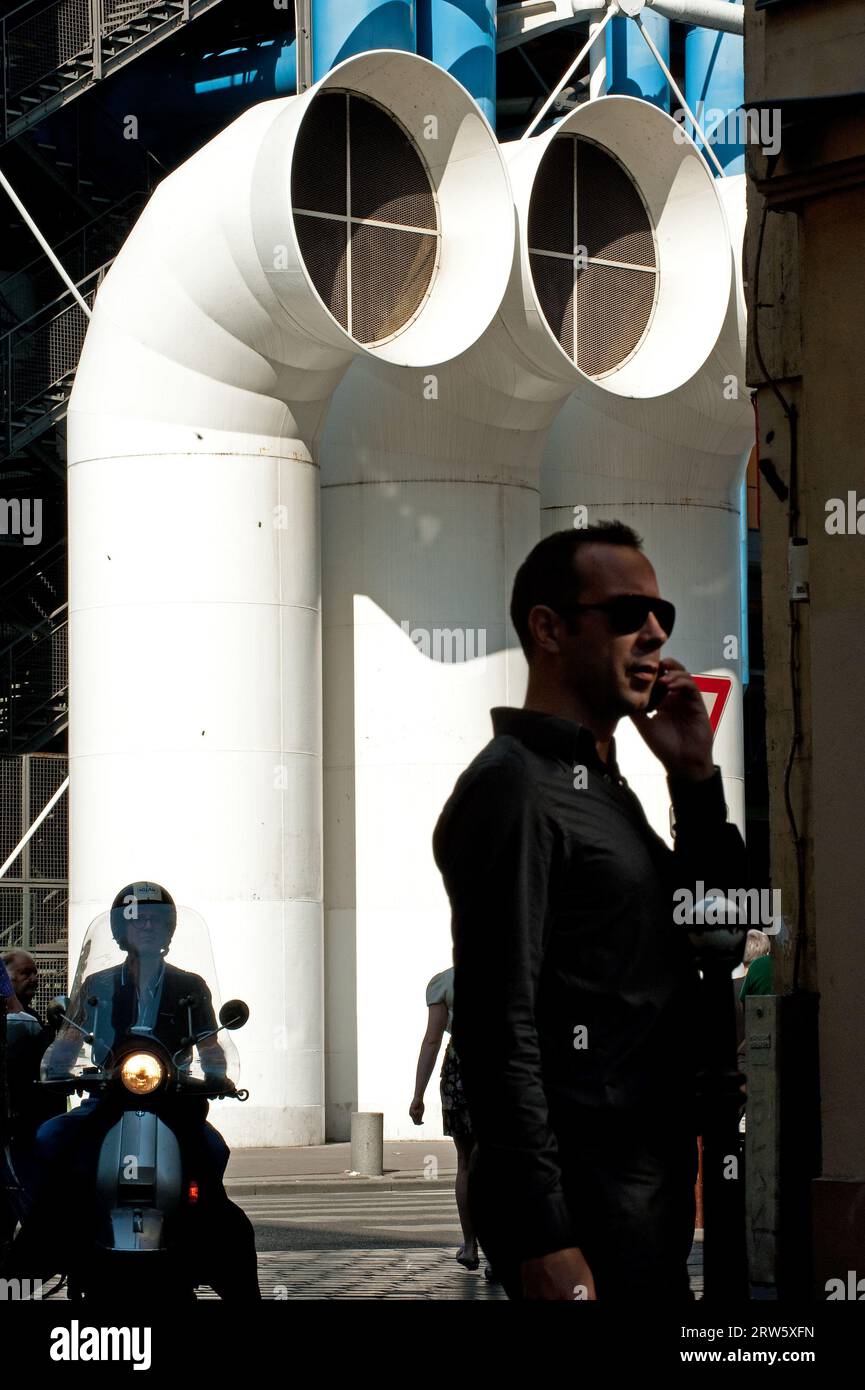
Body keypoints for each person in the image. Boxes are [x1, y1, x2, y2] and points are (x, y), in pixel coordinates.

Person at [433, 523, 749, 1302]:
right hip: (586, 1215)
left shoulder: (602, 787)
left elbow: (721, 929)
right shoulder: (514, 787)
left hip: (649, 1198)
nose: (655, 633)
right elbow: (495, 1025)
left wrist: (694, 779)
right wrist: (542, 1236)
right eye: (627, 613)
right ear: (548, 627)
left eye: (663, 615)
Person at [17, 882, 259, 1299]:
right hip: (107, 1099)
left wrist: (218, 1073)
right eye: (137, 920)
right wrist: (58, 1066)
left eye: (157, 920)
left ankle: (213, 1248)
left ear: (170, 930)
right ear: (119, 930)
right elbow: (70, 1040)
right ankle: (51, 1235)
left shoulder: (190, 986)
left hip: (174, 1101)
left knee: (213, 1152)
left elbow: (209, 1044)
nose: (147, 926)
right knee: (50, 1138)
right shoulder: (97, 985)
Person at [410, 966, 480, 1270]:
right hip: (507, 1073)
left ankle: (470, 1246)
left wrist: (418, 1095)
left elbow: (432, 1040)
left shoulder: (443, 983)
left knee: (465, 1162)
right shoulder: (518, 973)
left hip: (459, 1074)